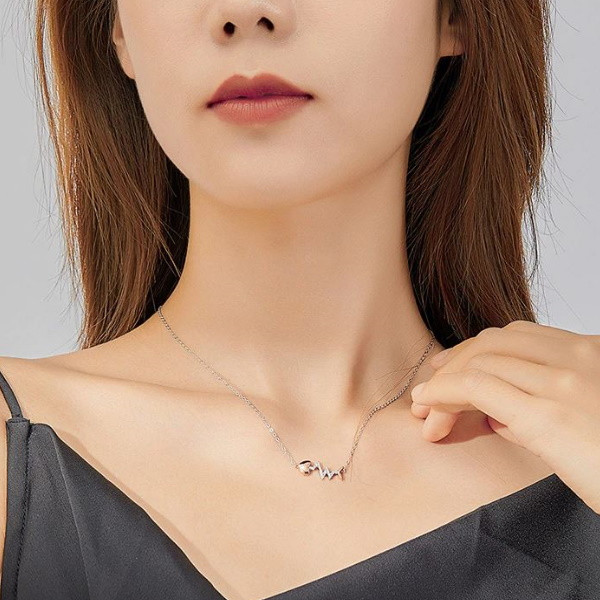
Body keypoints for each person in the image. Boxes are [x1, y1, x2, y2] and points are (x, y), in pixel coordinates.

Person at [1, 0, 599, 599]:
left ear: (456, 15)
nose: (245, 12)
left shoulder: (578, 456)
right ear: (118, 31)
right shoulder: (18, 462)